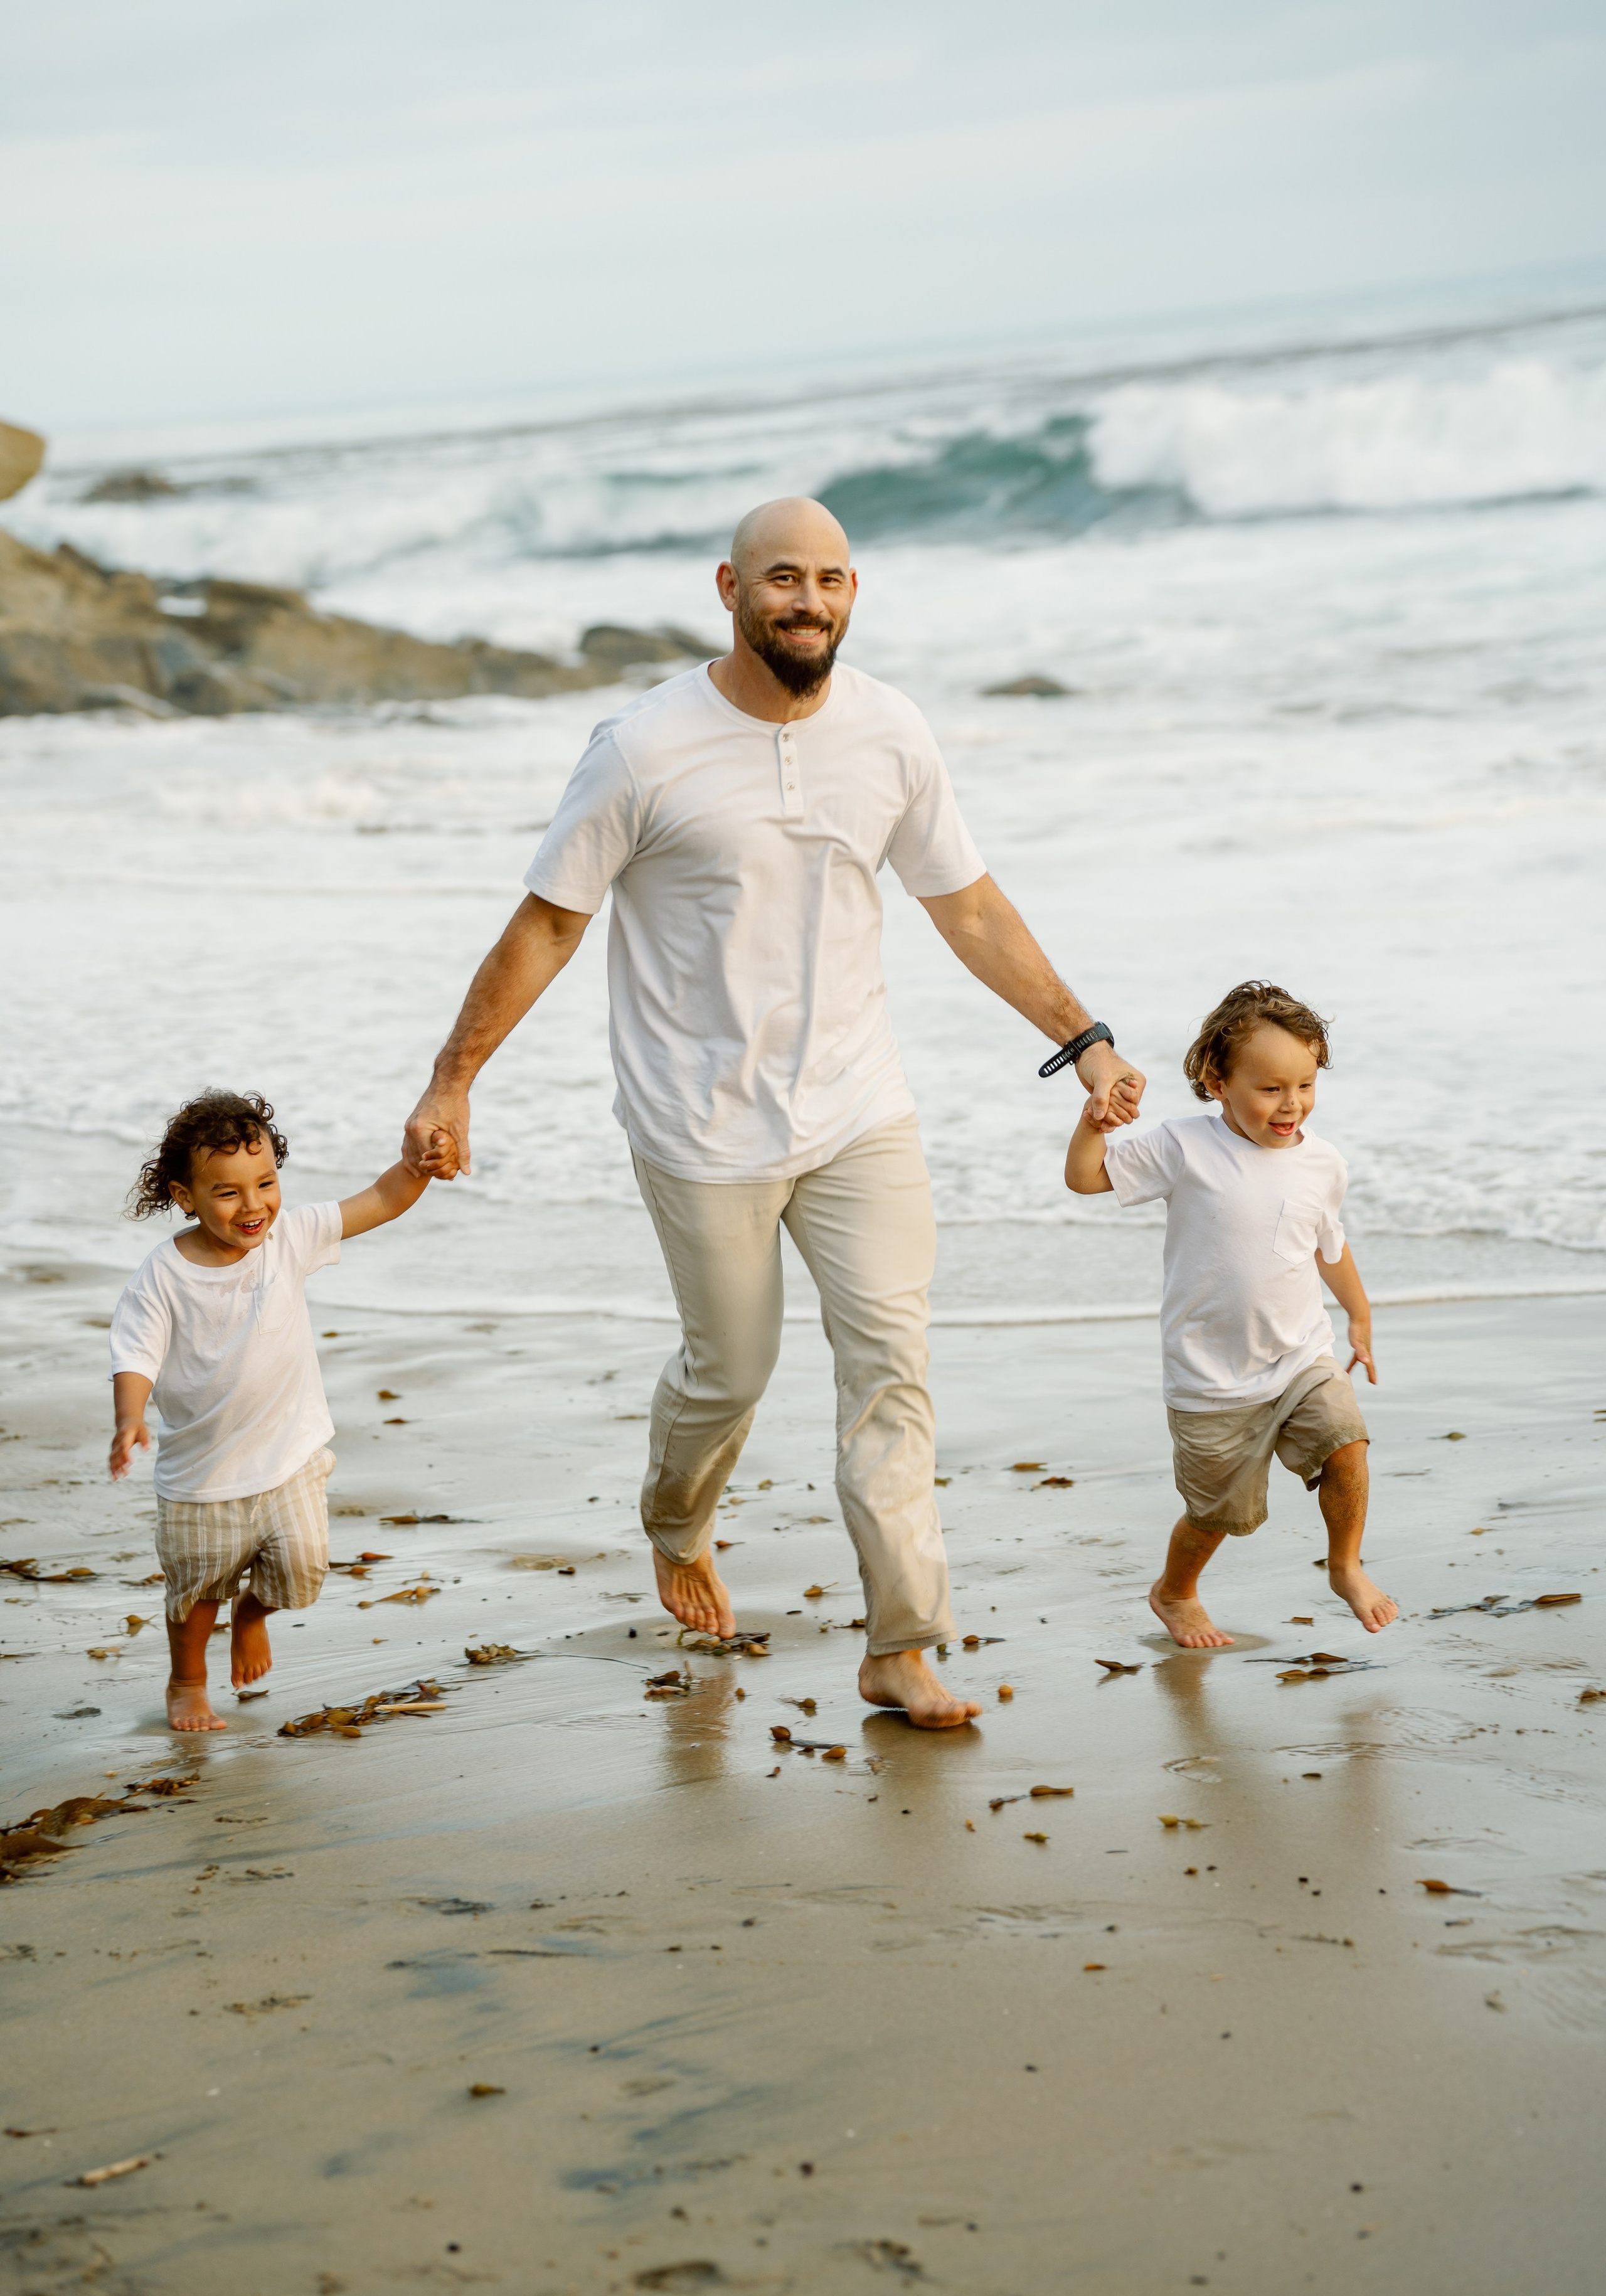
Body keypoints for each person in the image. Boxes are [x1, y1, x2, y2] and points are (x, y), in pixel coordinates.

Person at [403, 495, 1145, 1729]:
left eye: (831, 580)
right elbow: (547, 922)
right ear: (729, 588)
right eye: (783, 579)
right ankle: (675, 1516)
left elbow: (963, 904)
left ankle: (900, 1645)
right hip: (699, 1126)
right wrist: (452, 1077)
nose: (808, 601)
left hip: (859, 1108)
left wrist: (1082, 1037)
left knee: (891, 1372)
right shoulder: (642, 748)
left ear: (855, 592)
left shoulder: (890, 731)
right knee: (729, 1368)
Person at [1065, 979, 1399, 1648]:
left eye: (1305, 1085)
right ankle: (1175, 1591)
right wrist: (1092, 1122)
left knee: (1346, 1441)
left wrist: (1358, 1318)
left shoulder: (1322, 1162)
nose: (1291, 1104)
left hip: (1299, 1354)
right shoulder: (1183, 1146)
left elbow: (1328, 1246)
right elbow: (1086, 1177)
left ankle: (1345, 1564)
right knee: (1217, 1513)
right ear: (1217, 1082)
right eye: (1270, 1088)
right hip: (1210, 1380)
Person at [109, 1088, 453, 1730]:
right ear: (185, 1196)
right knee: (196, 1595)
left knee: (303, 1568)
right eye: (228, 1191)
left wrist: (416, 1169)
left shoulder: (289, 1237)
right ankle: (186, 1682)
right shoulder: (162, 1277)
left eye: (265, 1182)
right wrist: (130, 1417)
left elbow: (378, 1202)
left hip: (290, 1457)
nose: (254, 1205)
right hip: (201, 1481)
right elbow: (135, 1354)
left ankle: (254, 1616)